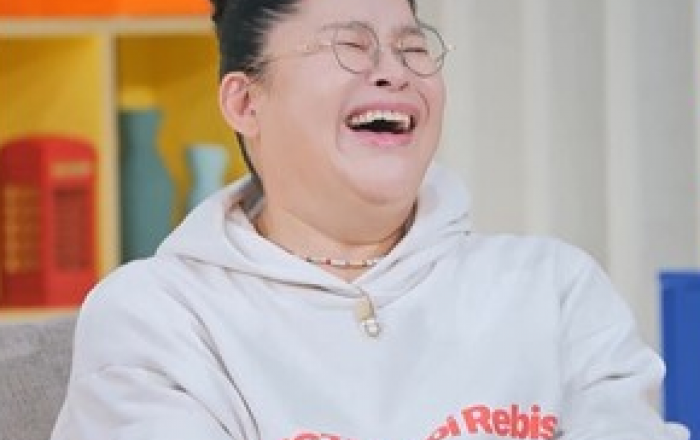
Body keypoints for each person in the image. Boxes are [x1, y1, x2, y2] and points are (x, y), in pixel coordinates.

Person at [51, 0, 689, 439]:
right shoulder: (161, 316)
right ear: (245, 102)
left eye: (413, 48)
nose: (394, 72)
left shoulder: (554, 289)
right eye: (350, 47)